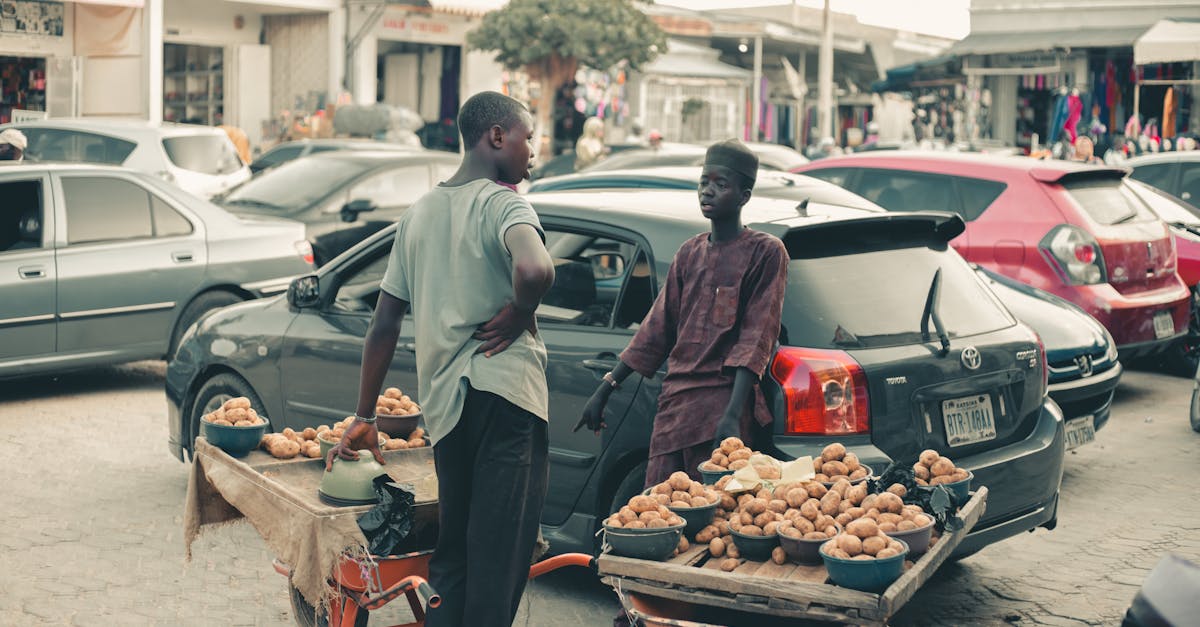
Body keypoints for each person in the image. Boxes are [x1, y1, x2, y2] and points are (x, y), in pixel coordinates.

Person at [327, 91, 556, 627]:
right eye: (527, 138)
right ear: (496, 136)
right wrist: (522, 312)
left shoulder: (419, 214)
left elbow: (384, 322)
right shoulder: (504, 204)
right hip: (507, 400)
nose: (532, 152)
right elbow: (536, 269)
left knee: (454, 556)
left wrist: (364, 414)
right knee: (498, 558)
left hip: (448, 409)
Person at [576, 139, 788, 488]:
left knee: (713, 510)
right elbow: (656, 329)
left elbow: (756, 337)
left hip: (722, 405)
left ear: (744, 195)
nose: (708, 191)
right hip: (674, 406)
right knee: (660, 503)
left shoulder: (765, 252)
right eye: (704, 182)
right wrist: (606, 387)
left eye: (721, 184)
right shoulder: (689, 253)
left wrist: (732, 416)